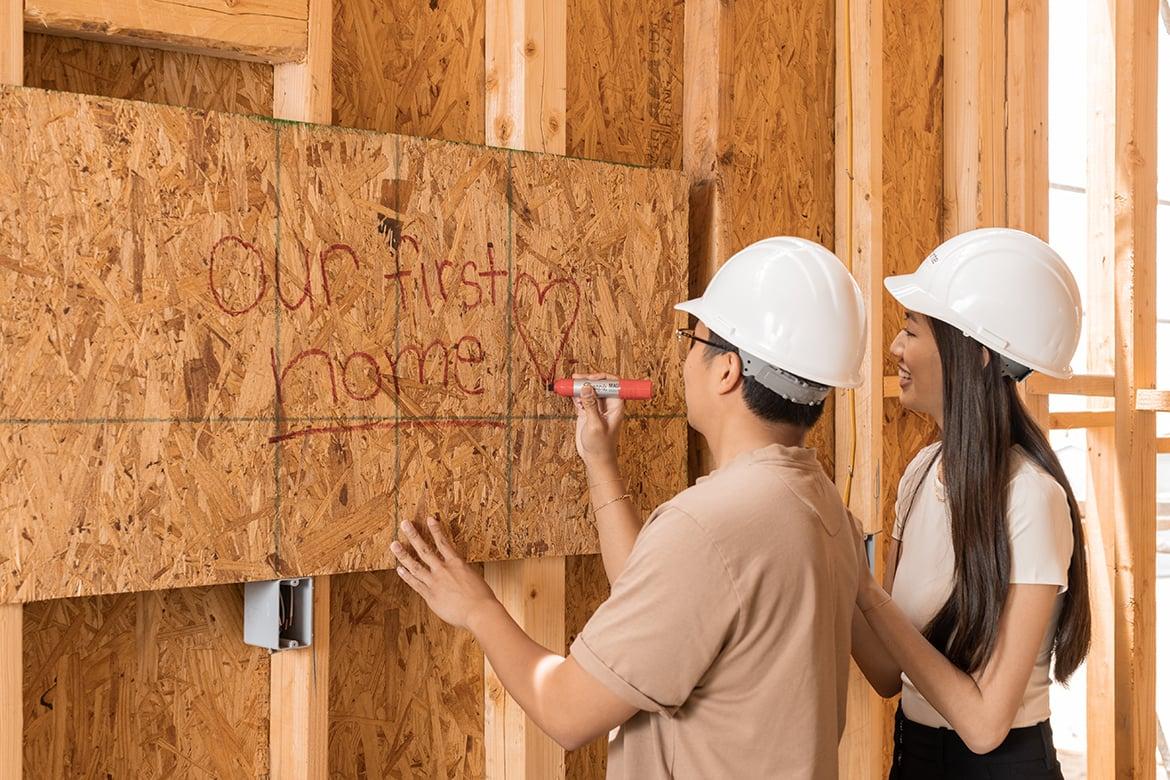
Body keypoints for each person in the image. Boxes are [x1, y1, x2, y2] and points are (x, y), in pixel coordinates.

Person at [391, 236, 869, 778]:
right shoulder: (816, 502)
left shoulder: (710, 527)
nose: (686, 354)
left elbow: (565, 710)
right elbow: (666, 607)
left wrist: (477, 607)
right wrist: (600, 461)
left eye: (694, 338)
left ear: (726, 371)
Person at [851, 228, 1091, 779]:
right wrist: (841, 576)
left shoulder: (1032, 498)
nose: (895, 348)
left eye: (912, 331)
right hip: (913, 758)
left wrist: (867, 592)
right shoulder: (919, 475)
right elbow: (890, 673)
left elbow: (984, 726)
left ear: (977, 354)